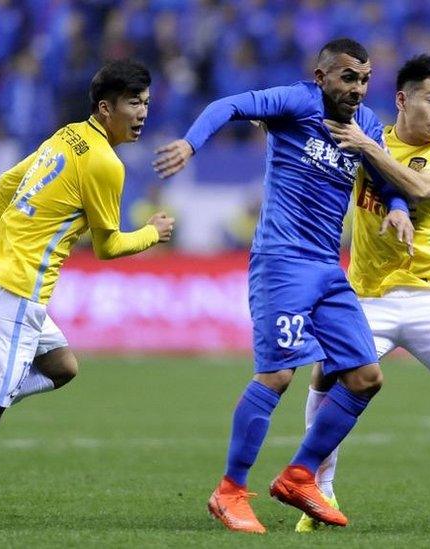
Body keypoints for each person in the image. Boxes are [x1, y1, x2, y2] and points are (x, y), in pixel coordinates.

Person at [152, 38, 413, 535]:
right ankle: (229, 491)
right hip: (282, 260)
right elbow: (229, 104)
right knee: (277, 376)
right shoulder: (298, 101)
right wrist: (191, 142)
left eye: (363, 79)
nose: (357, 88)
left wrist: (398, 210)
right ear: (322, 77)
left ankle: (298, 475)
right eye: (347, 77)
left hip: (328, 269)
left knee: (365, 377)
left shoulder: (368, 126)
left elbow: (383, 180)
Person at [0, 60, 174, 518]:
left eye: (146, 102)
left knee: (63, 366)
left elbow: (8, 182)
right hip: (16, 294)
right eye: (134, 103)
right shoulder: (105, 162)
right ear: (106, 108)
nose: (142, 113)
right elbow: (108, 247)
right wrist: (152, 231)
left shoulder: (69, 133)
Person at [295, 54, 430, 532]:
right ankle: (319, 490)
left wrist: (368, 149)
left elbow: (416, 187)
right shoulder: (364, 134)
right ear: (401, 99)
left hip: (425, 294)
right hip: (363, 296)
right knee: (328, 379)